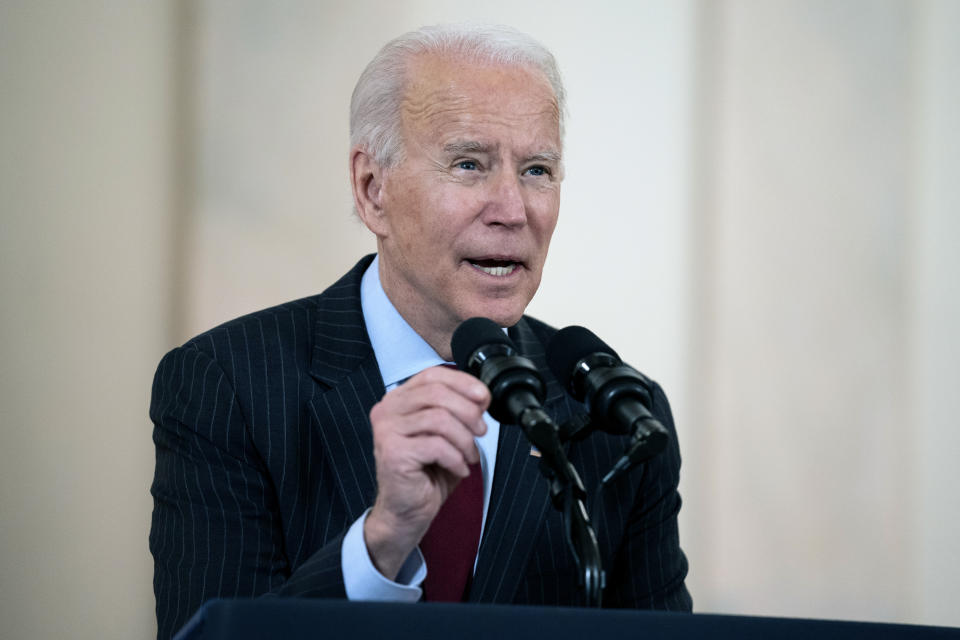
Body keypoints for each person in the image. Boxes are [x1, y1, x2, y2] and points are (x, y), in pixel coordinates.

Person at [149, 23, 692, 640]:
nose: (514, 210)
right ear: (372, 189)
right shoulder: (229, 384)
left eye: (538, 170)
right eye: (469, 164)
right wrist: (381, 545)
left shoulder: (619, 416)